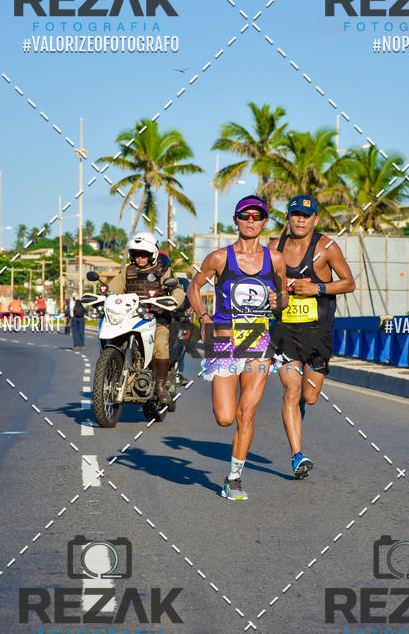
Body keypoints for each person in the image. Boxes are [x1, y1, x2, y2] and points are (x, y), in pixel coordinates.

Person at [187, 196, 288, 501]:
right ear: (236, 219)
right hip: (224, 340)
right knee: (225, 417)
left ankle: (234, 478)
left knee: (247, 413)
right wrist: (203, 317)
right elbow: (194, 286)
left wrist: (277, 302)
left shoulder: (275, 259)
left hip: (258, 341)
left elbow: (283, 295)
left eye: (257, 216)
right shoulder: (219, 258)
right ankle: (233, 472)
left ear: (265, 222)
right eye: (245, 215)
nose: (251, 221)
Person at [268, 195, 356, 479]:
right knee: (290, 391)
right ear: (288, 217)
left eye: (306, 215)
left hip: (318, 332)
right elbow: (263, 286)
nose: (301, 220)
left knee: (310, 396)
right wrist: (271, 297)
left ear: (315, 219)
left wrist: (316, 290)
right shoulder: (273, 249)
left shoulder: (327, 247)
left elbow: (349, 283)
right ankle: (297, 455)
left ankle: (302, 406)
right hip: (285, 331)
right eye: (295, 214)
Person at [103, 232, 185, 409]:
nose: (140, 258)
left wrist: (174, 299)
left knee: (161, 344)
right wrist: (105, 294)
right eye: (136, 253)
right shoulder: (128, 271)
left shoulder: (163, 270)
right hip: (131, 317)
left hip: (158, 317)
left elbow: (178, 289)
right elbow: (113, 288)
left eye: (144, 254)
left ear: (152, 254)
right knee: (114, 337)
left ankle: (161, 386)